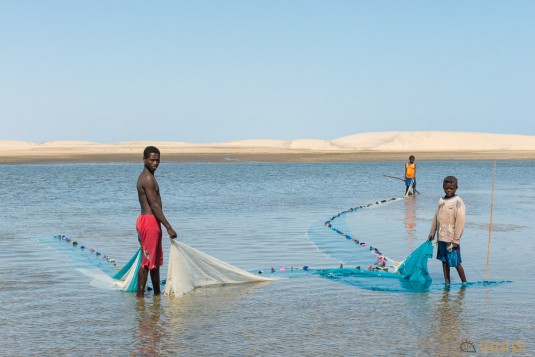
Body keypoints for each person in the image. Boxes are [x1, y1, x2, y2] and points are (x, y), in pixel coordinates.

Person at [136, 146, 177, 297]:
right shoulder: (147, 178)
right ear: (144, 160)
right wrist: (169, 227)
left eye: (157, 160)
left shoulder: (149, 176)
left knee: (154, 262)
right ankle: (139, 299)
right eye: (152, 160)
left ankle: (156, 297)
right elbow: (154, 205)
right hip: (149, 222)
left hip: (151, 221)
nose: (155, 163)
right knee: (147, 262)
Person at [428, 176, 467, 285]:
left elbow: (460, 221)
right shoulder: (441, 201)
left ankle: (464, 282)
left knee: (456, 263)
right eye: (446, 188)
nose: (449, 190)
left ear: (456, 188)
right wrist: (432, 232)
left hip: (452, 240)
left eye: (451, 188)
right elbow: (436, 217)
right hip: (441, 237)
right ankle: (447, 283)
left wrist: (456, 240)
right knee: (444, 262)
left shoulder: (458, 202)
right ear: (443, 187)